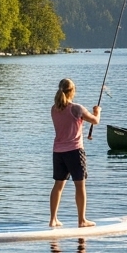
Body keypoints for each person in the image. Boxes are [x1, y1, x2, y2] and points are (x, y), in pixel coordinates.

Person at [49, 78, 100, 229]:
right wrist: (98, 111)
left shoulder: (54, 109)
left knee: (58, 185)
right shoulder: (76, 108)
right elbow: (95, 120)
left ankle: (53, 220)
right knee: (80, 186)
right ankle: (82, 220)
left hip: (58, 152)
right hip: (75, 151)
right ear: (72, 91)